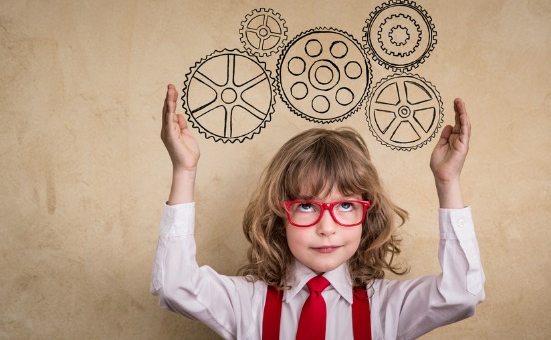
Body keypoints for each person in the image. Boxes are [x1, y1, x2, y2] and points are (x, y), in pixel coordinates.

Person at [151, 84, 485, 339]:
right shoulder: (246, 301)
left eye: (345, 205)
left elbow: (462, 295)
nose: (327, 227)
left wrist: (448, 180)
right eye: (307, 205)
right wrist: (184, 171)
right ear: (279, 216)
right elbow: (174, 285)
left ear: (366, 217)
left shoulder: (388, 307)